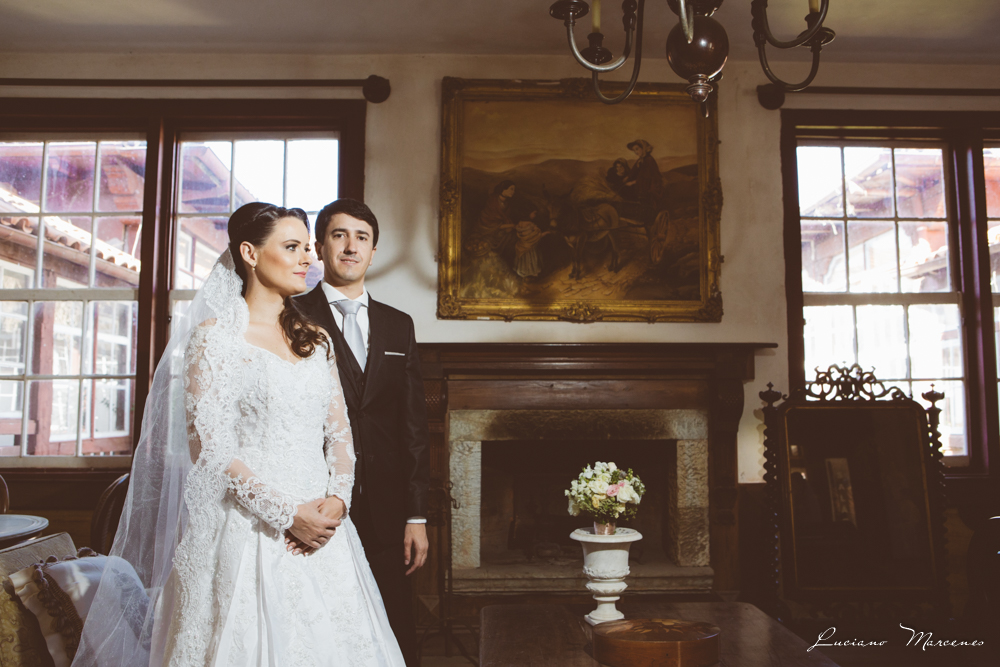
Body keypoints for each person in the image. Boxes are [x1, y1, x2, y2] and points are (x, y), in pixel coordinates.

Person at [73, 202, 405, 666]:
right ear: (250, 253)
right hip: (248, 528)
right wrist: (288, 515)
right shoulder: (214, 339)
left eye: (306, 248)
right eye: (292, 247)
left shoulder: (317, 340)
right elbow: (208, 449)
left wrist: (338, 501)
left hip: (325, 529)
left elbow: (340, 433)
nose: (307, 258)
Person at [296, 198, 430, 667]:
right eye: (339, 235)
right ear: (319, 247)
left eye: (362, 238)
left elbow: (414, 427)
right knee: (324, 621)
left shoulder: (398, 325)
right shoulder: (290, 316)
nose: (351, 247)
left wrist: (417, 515)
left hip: (388, 506)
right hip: (317, 500)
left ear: (373, 251)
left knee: (394, 621)